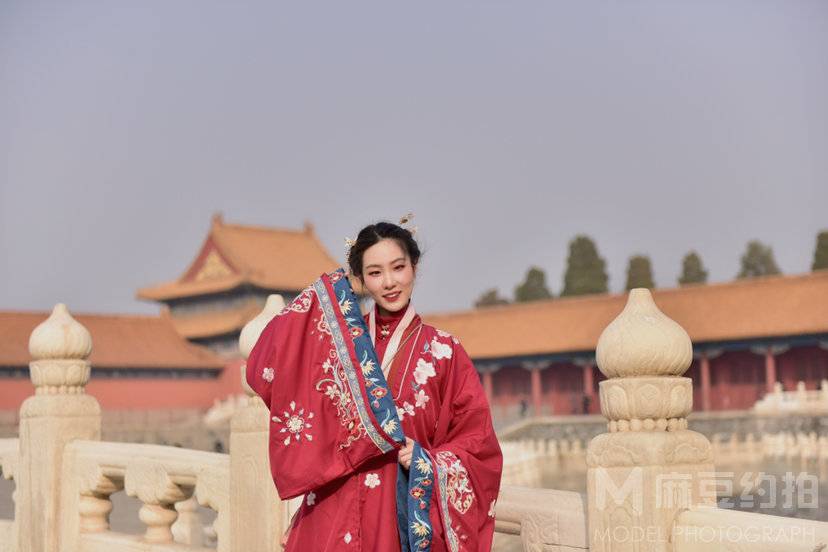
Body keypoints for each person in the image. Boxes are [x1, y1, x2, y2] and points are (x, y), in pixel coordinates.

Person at [246, 218, 503, 551]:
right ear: (361, 278)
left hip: (399, 517)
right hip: (332, 513)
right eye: (375, 273)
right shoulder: (334, 345)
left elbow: (479, 444)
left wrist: (427, 460)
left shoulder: (445, 352)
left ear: (414, 267)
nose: (390, 282)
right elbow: (273, 371)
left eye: (398, 267)